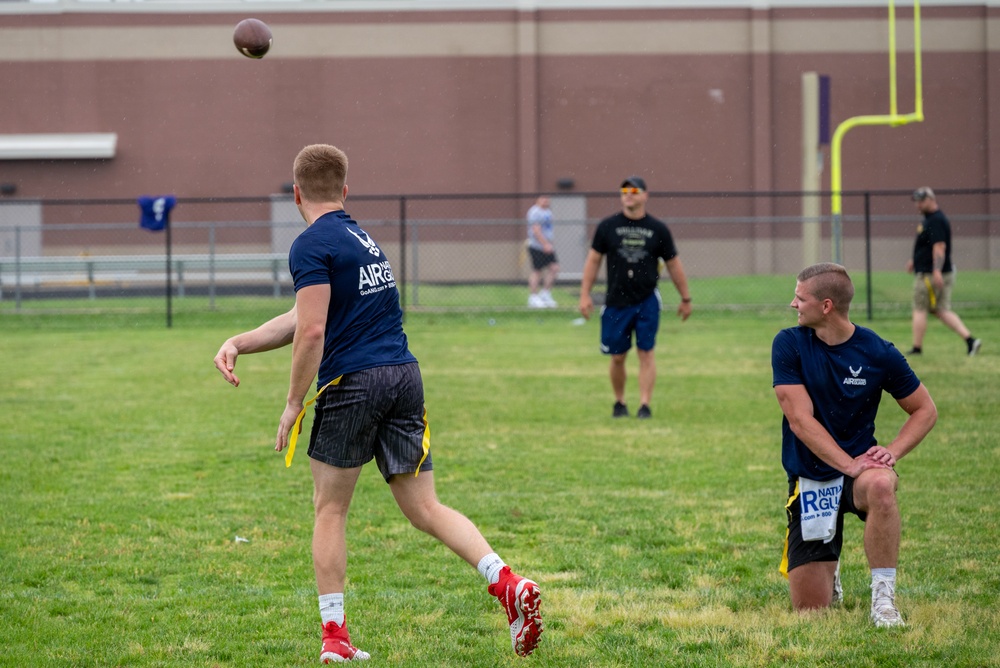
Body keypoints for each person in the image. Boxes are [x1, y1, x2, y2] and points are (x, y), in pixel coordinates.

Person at [213, 144, 542, 662]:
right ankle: (505, 581)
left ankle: (335, 638)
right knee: (425, 508)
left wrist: (294, 401)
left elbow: (314, 329)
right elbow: (305, 316)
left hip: (355, 383)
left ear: (296, 192)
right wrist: (240, 341)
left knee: (330, 510)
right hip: (404, 376)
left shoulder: (309, 243)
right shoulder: (361, 238)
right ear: (344, 191)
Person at [772, 262, 938, 627]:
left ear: (826, 305)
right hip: (813, 476)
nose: (793, 304)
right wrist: (847, 464)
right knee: (810, 611)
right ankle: (832, 567)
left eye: (800, 298)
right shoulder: (789, 344)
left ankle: (883, 597)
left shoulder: (878, 352)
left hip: (861, 472)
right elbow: (800, 421)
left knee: (881, 483)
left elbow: (925, 410)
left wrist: (892, 451)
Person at [578, 176, 692, 419]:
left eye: (634, 190)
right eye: (624, 191)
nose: (628, 194)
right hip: (616, 303)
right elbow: (593, 261)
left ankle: (644, 405)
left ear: (645, 195)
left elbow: (673, 264)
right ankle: (619, 402)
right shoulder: (607, 226)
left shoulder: (657, 229)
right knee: (617, 357)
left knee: (646, 352)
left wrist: (686, 298)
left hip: (646, 301)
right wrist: (584, 294)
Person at [906, 187, 981, 356]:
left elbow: (939, 246)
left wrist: (936, 270)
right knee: (940, 310)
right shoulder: (930, 219)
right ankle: (971, 341)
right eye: (917, 201)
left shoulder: (935, 220)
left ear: (931, 200)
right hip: (935, 271)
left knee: (920, 308)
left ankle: (917, 348)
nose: (918, 205)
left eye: (921, 201)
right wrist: (915, 260)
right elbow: (927, 245)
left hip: (929, 274)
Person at [526, 195, 559, 308]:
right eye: (543, 199)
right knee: (537, 271)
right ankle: (533, 297)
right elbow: (536, 230)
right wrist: (544, 244)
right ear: (538, 200)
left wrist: (550, 244)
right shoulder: (535, 212)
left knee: (554, 268)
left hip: (548, 246)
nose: (545, 201)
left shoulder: (548, 212)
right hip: (537, 246)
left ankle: (545, 294)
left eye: (547, 199)